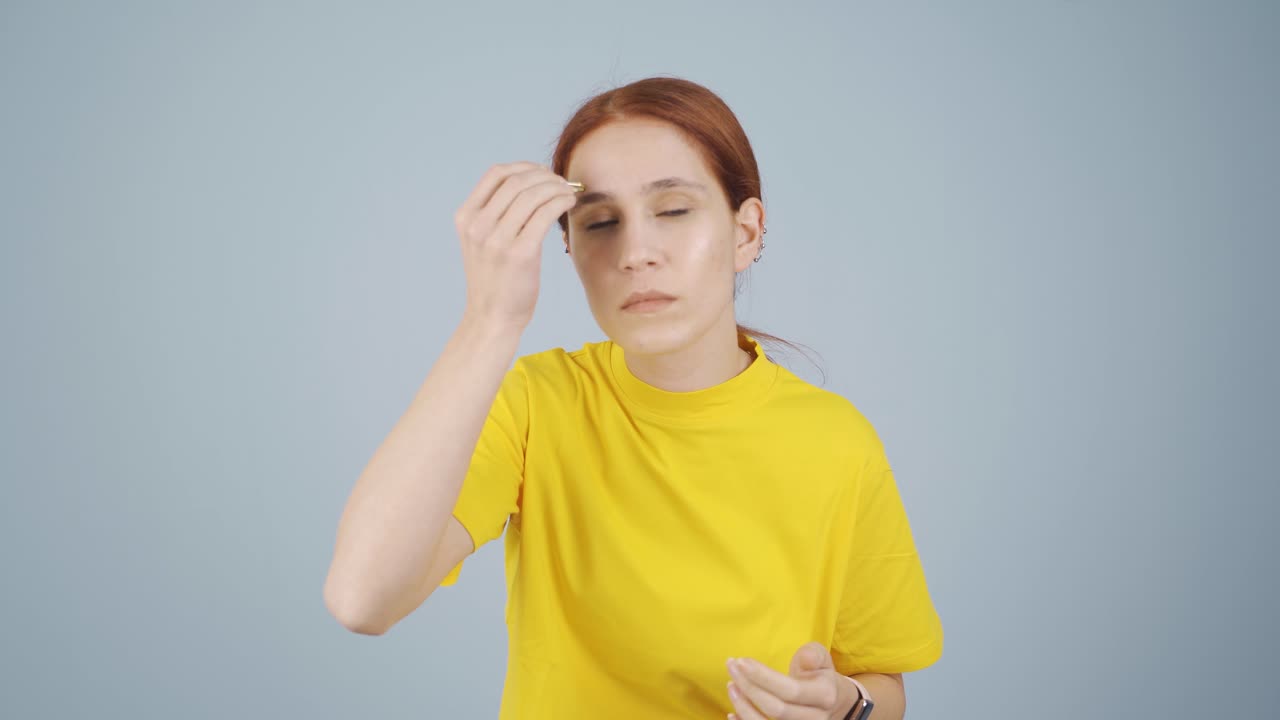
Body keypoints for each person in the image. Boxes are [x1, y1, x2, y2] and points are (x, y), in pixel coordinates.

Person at [324, 76, 943, 720]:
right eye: (600, 222)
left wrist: (848, 705)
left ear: (747, 232)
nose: (636, 254)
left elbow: (881, 682)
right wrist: (489, 319)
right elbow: (361, 599)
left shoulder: (838, 441)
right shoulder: (536, 404)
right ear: (569, 249)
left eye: (673, 210)